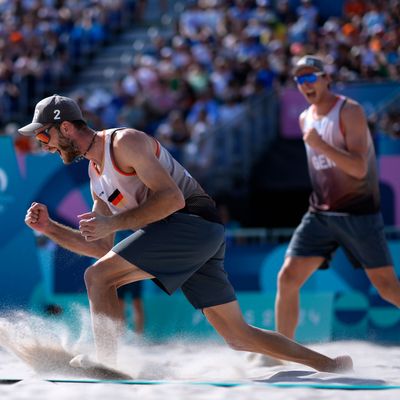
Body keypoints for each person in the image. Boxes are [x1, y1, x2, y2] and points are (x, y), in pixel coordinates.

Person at [21, 94, 352, 372]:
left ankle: (107, 365)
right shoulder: (96, 177)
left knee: (98, 277)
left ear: (65, 126)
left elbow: (172, 198)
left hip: (191, 223)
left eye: (45, 135)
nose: (43, 144)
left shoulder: (124, 142)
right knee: (239, 336)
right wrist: (49, 228)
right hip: (186, 236)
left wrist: (115, 223)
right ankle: (330, 365)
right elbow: (100, 246)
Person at [275, 56, 400, 340]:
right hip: (320, 214)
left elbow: (359, 168)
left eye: (310, 78)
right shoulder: (305, 117)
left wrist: (321, 145)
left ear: (326, 78)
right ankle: (281, 353)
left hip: (358, 214)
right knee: (287, 278)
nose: (305, 85)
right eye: (300, 80)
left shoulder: (349, 111)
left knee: (388, 288)